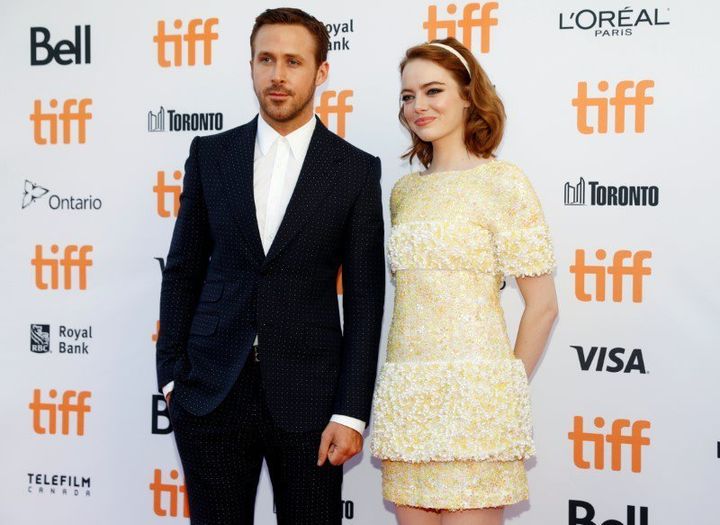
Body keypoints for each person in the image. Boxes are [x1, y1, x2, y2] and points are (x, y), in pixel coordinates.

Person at [155, 8, 385, 524]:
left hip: (311, 399)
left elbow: (367, 302)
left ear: (320, 72)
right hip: (211, 391)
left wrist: (350, 412)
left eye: (293, 61)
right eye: (266, 59)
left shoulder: (354, 170)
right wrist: (171, 376)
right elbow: (184, 269)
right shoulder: (211, 154)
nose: (278, 75)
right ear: (252, 66)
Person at [370, 37, 559, 525]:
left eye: (433, 91)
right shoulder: (404, 192)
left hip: (479, 398)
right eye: (408, 96)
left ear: (468, 95)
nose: (418, 106)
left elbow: (543, 306)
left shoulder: (504, 183)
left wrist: (504, 388)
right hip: (409, 394)